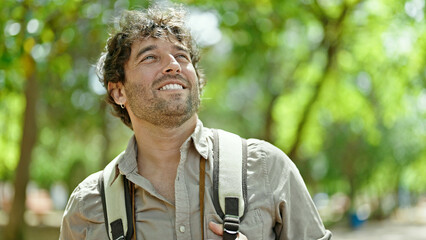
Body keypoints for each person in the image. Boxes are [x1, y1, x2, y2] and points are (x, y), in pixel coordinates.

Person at [60, 5, 332, 240]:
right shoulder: (88, 206)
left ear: (197, 81)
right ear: (119, 91)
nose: (173, 65)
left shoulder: (267, 168)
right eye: (150, 57)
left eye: (181, 56)